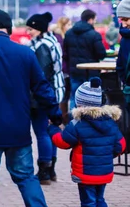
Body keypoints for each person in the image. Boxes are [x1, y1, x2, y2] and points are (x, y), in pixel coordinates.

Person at [0, 10, 61, 207]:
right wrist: (55, 115)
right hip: (18, 128)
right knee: (26, 177)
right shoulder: (25, 53)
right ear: (10, 29)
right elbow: (42, 88)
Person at [49, 77, 126, 207]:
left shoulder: (77, 124)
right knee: (99, 199)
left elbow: (63, 142)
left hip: (85, 173)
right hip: (104, 172)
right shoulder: (110, 122)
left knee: (88, 202)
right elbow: (121, 145)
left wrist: (53, 130)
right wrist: (107, 154)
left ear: (80, 104)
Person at [26, 12, 65, 185]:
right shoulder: (52, 42)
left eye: (31, 28)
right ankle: (51, 170)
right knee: (50, 132)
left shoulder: (41, 46)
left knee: (42, 133)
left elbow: (39, 75)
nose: (28, 32)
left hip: (41, 96)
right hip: (54, 92)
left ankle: (44, 172)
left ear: (39, 29)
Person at [63, 9, 107, 109]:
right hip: (91, 72)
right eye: (94, 20)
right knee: (93, 99)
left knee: (74, 97)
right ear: (90, 20)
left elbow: (65, 53)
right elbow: (101, 54)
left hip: (74, 70)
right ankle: (90, 122)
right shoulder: (94, 34)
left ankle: (73, 122)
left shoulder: (69, 33)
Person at [52, 16, 72, 122]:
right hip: (63, 69)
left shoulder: (60, 36)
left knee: (64, 95)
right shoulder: (60, 37)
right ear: (63, 26)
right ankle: (63, 119)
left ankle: (62, 118)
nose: (70, 27)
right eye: (69, 24)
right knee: (64, 96)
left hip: (62, 69)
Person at [116, 0, 130, 107]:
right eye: (122, 20)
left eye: (126, 19)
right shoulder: (125, 38)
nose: (124, 24)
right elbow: (120, 64)